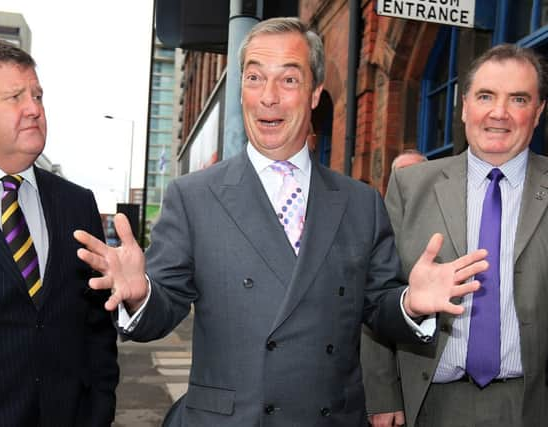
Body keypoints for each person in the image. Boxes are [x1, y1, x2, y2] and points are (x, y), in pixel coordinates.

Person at [74, 18, 487, 426]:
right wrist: (139, 293)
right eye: (254, 78)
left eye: (288, 80)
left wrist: (410, 304)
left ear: (314, 94)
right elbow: (162, 310)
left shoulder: (361, 203)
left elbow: (379, 306)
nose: (267, 97)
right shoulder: (192, 196)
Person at [361, 43, 548, 427]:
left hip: (531, 405)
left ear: (539, 112)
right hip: (430, 403)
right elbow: (375, 296)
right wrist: (381, 396)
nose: (499, 112)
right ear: (464, 107)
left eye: (518, 99)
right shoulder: (410, 186)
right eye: (485, 96)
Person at [0, 38, 119, 426]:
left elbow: (96, 328)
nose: (34, 109)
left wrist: (99, 408)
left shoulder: (77, 203)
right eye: (15, 97)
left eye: (38, 96)